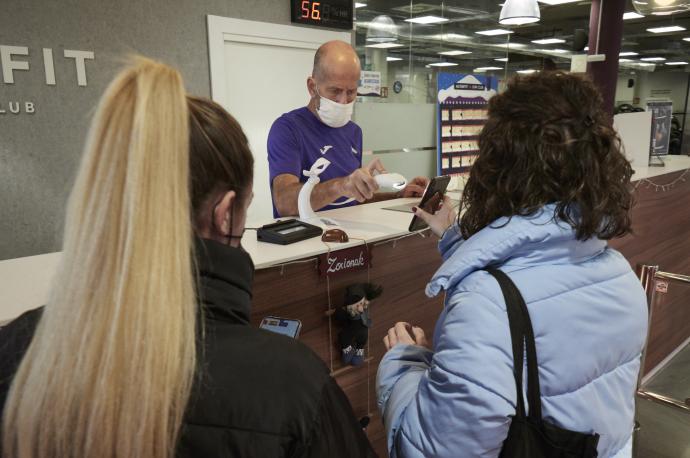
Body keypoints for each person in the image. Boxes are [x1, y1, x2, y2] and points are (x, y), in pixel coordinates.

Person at [0, 57, 376, 458]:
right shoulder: (294, 383)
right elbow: (287, 199)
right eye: (247, 206)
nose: (344, 99)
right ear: (225, 213)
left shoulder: (16, 348)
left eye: (351, 91)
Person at [376, 72, 648, 458]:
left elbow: (431, 450)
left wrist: (404, 365)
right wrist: (455, 238)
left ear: (498, 168)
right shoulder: (620, 275)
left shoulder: (485, 306)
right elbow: (532, 282)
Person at [268, 40, 428, 217]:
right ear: (312, 87)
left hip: (347, 238)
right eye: (335, 91)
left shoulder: (353, 132)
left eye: (351, 92)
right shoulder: (288, 129)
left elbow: (354, 199)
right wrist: (341, 185)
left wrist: (397, 196)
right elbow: (285, 203)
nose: (343, 101)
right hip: (306, 241)